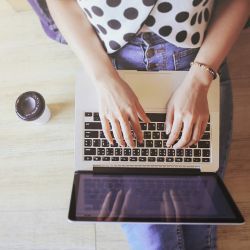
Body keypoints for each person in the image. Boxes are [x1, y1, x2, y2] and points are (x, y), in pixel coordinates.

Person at [29, 0, 249, 249]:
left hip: (198, 60)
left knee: (196, 221)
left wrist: (199, 80)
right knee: (153, 238)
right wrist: (105, 80)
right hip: (110, 63)